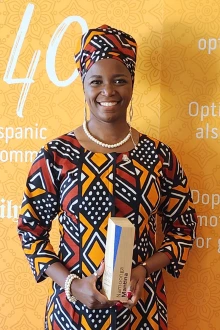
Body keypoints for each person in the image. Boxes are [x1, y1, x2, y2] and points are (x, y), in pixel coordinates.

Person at [18, 25, 197, 330]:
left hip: (142, 313)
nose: (108, 91)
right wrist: (72, 285)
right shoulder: (56, 155)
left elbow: (183, 228)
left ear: (132, 83)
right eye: (96, 81)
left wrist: (144, 269)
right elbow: (30, 231)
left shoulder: (159, 156)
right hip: (72, 316)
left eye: (119, 80)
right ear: (84, 85)